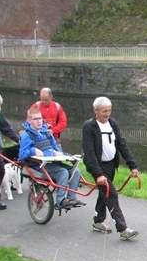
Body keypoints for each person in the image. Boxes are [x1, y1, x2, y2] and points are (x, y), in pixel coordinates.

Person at [82, 96, 139, 240]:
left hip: (110, 165)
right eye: (104, 111)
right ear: (95, 111)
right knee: (111, 194)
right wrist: (98, 173)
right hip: (97, 166)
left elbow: (122, 144)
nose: (107, 114)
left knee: (104, 193)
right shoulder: (89, 127)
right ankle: (123, 228)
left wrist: (132, 165)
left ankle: (98, 221)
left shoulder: (112, 124)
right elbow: (89, 152)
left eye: (109, 110)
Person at [19, 107, 84, 209]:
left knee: (76, 172)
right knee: (63, 172)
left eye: (40, 118)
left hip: (53, 161)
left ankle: (71, 198)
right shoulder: (27, 136)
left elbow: (55, 147)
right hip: (39, 165)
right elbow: (22, 154)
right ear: (29, 120)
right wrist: (33, 150)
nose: (39, 121)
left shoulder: (48, 132)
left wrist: (58, 153)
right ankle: (60, 201)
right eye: (35, 119)